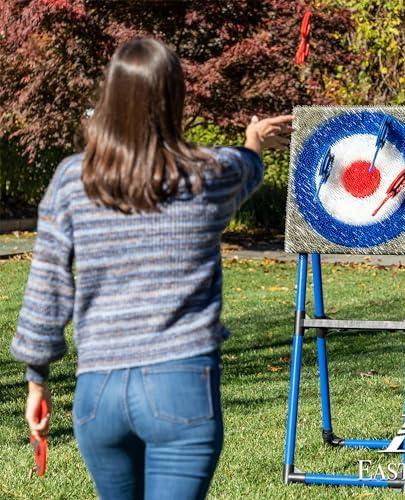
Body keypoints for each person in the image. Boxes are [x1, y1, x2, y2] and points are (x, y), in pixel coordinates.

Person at [10, 38, 292, 500]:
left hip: (97, 392)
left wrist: (36, 380)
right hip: (181, 385)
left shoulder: (71, 180)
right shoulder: (207, 175)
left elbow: (46, 290)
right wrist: (255, 139)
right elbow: (246, 166)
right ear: (174, 97)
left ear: (110, 97)